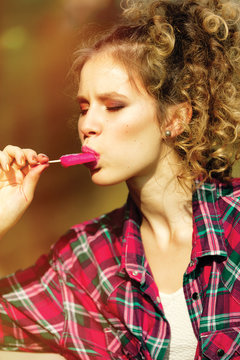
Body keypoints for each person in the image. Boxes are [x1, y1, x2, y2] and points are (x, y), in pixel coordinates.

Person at [0, 0, 240, 359]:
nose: (86, 125)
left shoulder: (235, 219)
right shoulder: (84, 259)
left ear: (175, 119)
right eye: (84, 108)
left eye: (113, 106)